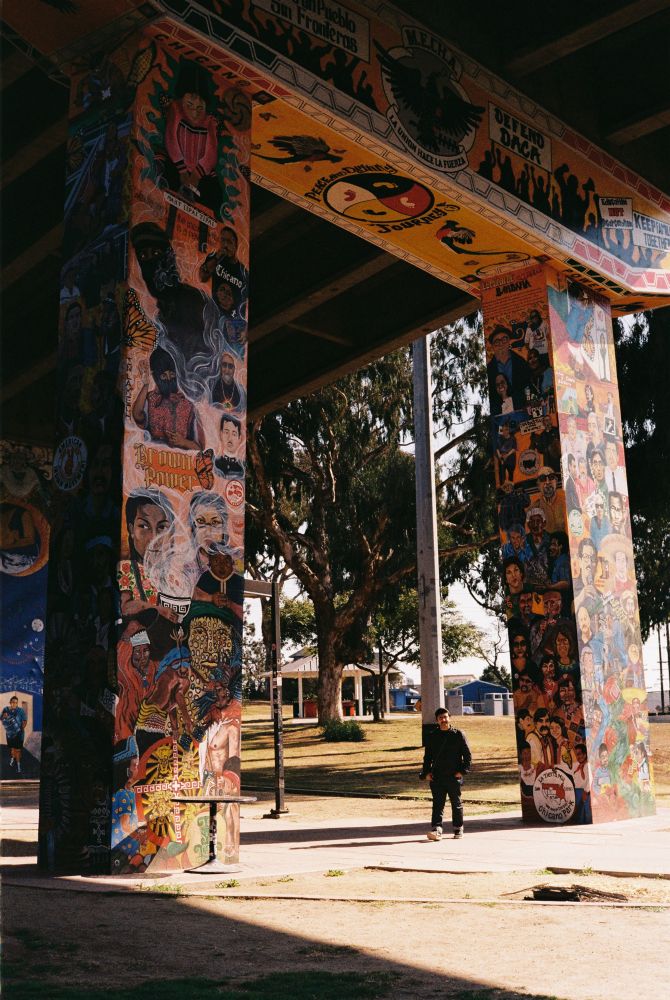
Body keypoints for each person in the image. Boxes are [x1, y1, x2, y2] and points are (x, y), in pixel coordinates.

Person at [419, 707, 471, 840]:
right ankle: (437, 829)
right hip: (437, 777)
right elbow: (427, 758)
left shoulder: (458, 734)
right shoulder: (432, 736)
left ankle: (458, 829)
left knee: (456, 803)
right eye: (440, 718)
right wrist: (426, 773)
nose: (443, 720)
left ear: (450, 718)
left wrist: (463, 771)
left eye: (445, 717)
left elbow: (467, 755)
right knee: (437, 804)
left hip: (454, 776)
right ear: (437, 720)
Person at [486, 325, 531, 412]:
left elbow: (528, 385)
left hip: (523, 409)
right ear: (492, 347)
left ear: (509, 342)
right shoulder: (488, 370)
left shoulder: (521, 362)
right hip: (500, 412)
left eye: (504, 339)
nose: (501, 343)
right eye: (497, 341)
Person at [2, 696, 27, 773]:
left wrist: (20, 729)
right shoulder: (6, 709)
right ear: (10, 702)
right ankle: (13, 759)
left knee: (18, 750)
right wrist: (4, 716)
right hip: (10, 734)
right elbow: (2, 718)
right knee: (12, 748)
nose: (14, 704)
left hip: (19, 734)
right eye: (13, 702)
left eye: (16, 702)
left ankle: (18, 765)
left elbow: (24, 721)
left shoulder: (21, 711)